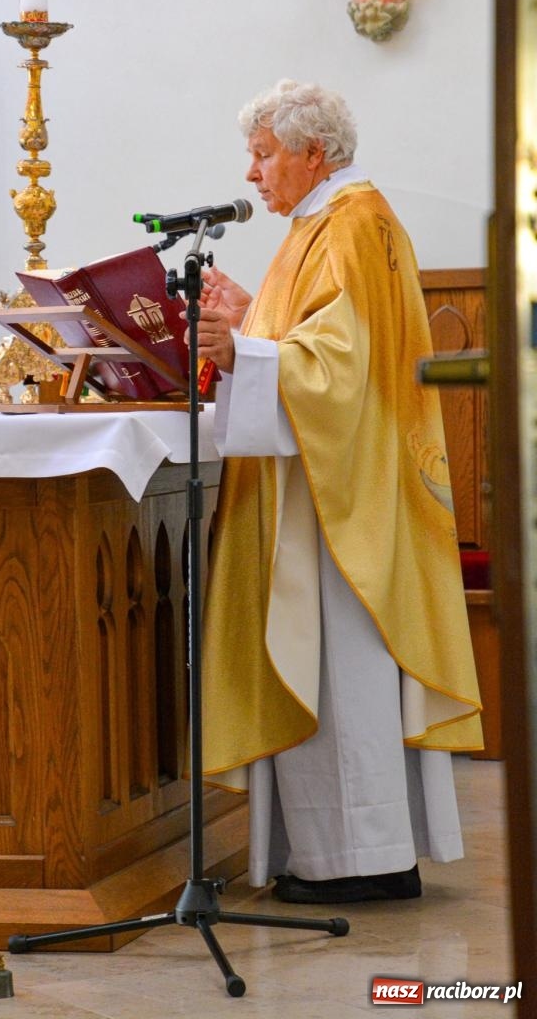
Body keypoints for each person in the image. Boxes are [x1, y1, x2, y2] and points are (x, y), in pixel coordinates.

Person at [196, 79, 483, 904]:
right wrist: (250, 320)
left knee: (340, 672)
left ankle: (361, 861)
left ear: (311, 152)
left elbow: (337, 369)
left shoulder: (351, 224)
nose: (252, 174)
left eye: (263, 155)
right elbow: (312, 339)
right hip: (332, 483)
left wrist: (242, 350)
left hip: (337, 500)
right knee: (334, 672)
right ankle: (356, 851)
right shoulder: (322, 224)